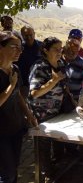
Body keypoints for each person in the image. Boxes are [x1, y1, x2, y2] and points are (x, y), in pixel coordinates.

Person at [0, 32, 37, 183]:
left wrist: (29, 114)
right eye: (14, 46)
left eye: (20, 48)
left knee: (14, 167)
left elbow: (18, 96)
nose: (19, 51)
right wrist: (12, 85)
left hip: (15, 126)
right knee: (6, 173)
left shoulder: (15, 69)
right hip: (1, 132)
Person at [28, 37, 66, 181]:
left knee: (58, 141)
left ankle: (56, 166)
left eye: (61, 49)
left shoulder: (61, 63)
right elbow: (34, 93)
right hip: (41, 113)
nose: (59, 52)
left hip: (58, 112)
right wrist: (53, 80)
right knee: (43, 146)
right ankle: (47, 173)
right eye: (56, 49)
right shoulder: (39, 67)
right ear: (45, 50)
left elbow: (63, 84)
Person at [62, 38, 83, 103]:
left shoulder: (82, 63)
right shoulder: (58, 59)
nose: (72, 53)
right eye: (70, 50)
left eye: (75, 51)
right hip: (58, 99)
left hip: (75, 100)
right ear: (65, 48)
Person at [16, 26, 42, 97]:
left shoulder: (42, 47)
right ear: (22, 35)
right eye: (26, 35)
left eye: (31, 35)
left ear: (34, 34)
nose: (29, 37)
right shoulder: (19, 48)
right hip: (24, 84)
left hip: (40, 83)